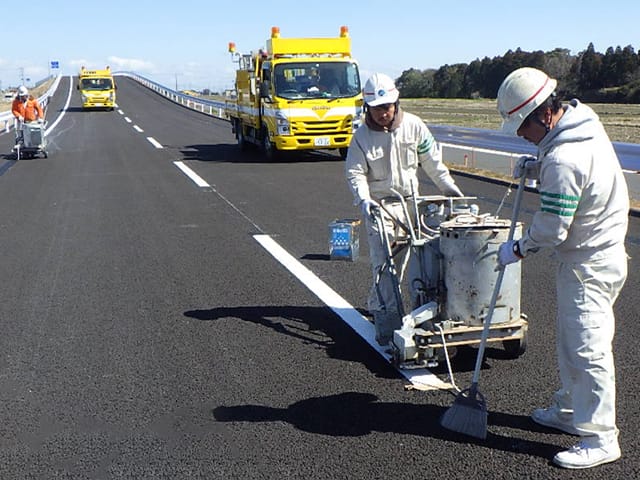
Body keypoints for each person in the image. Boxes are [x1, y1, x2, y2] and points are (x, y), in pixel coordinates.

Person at [496, 67, 629, 469]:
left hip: (588, 262)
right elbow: (577, 174)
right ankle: (572, 410)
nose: (521, 135)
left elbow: (552, 229)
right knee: (572, 339)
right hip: (593, 256)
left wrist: (517, 248)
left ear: (544, 115)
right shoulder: (582, 124)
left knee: (588, 346)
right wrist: (535, 167)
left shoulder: (564, 159)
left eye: (522, 127)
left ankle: (601, 436)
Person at [345, 73, 463, 346]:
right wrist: (364, 200)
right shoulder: (361, 137)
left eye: (386, 107)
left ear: (396, 103)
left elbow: (433, 162)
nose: (382, 114)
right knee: (386, 264)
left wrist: (449, 189)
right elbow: (355, 173)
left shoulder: (414, 127)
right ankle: (388, 320)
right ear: (367, 108)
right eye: (376, 109)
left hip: (412, 204)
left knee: (426, 261)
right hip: (380, 207)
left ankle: (423, 312)